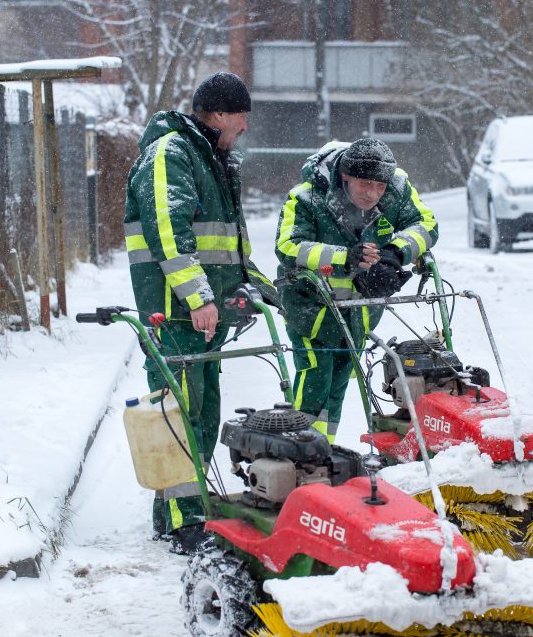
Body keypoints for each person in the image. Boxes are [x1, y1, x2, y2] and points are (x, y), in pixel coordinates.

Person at [123, 72, 278, 554]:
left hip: (200, 314)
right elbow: (169, 231)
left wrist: (262, 286)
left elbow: (227, 245)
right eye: (241, 117)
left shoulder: (214, 159)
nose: (245, 127)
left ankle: (189, 509)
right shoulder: (171, 152)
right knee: (180, 414)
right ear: (217, 115)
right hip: (174, 314)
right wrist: (198, 298)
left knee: (204, 412)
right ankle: (179, 520)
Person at [275, 138, 439, 442]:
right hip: (312, 309)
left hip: (359, 313)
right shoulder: (307, 197)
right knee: (315, 380)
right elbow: (288, 246)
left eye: (380, 186)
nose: (373, 194)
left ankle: (323, 455)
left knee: (338, 385)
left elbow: (425, 225)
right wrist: (343, 258)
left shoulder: (397, 190)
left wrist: (394, 253)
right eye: (365, 184)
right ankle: (299, 455)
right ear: (346, 176)